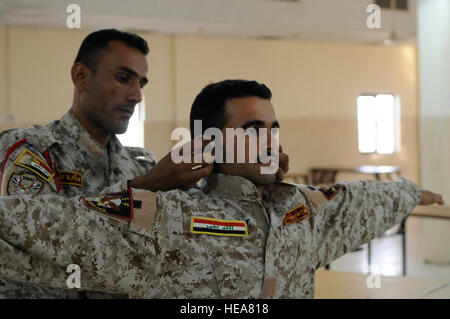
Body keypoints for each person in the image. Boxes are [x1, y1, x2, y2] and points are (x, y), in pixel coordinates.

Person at [0, 79, 443, 298]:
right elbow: (40, 226)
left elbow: (358, 201)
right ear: (210, 142)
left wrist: (409, 192)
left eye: (273, 128)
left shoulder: (301, 210)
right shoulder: (169, 218)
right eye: (253, 129)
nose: (269, 139)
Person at [0, 29, 215, 298]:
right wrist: (145, 187)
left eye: (141, 84)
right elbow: (32, 233)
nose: (137, 96)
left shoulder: (140, 164)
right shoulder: (32, 150)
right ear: (81, 76)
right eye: (123, 79)